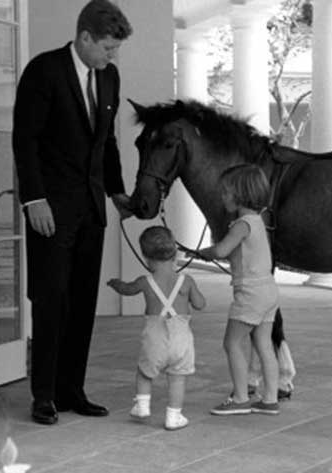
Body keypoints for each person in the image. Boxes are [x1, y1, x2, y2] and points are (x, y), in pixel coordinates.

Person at [12, 0, 133, 425]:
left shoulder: (110, 77)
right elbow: (24, 141)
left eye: (115, 50)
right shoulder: (43, 71)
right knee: (51, 300)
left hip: (90, 210)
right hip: (50, 208)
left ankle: (71, 390)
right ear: (84, 37)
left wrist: (117, 192)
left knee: (82, 301)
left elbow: (108, 141)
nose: (112, 56)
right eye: (107, 47)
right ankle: (43, 394)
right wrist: (34, 199)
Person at [189, 164, 281, 416]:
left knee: (231, 343)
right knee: (263, 344)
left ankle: (241, 398)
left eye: (227, 192)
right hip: (268, 290)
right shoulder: (259, 221)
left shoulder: (241, 224)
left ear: (242, 193)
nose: (223, 196)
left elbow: (220, 251)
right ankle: (270, 399)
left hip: (250, 292)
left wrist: (202, 253)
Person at [107, 226, 206, 431]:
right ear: (175, 253)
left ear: (145, 257)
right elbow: (200, 304)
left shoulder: (145, 282)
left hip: (154, 338)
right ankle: (174, 416)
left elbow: (126, 289)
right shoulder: (186, 281)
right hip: (181, 340)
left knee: (144, 372)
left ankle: (142, 406)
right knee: (177, 378)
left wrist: (116, 284)